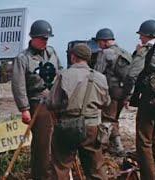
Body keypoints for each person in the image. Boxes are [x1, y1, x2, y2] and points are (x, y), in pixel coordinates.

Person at [47, 43, 111, 179]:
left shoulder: (64, 75)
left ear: (73, 57)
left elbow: (52, 103)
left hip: (67, 126)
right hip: (92, 128)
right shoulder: (100, 78)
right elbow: (106, 102)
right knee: (96, 169)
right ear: (88, 58)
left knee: (61, 168)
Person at [11, 19, 61, 179]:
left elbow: (60, 72)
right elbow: (18, 85)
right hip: (37, 102)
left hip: (54, 100)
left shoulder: (52, 53)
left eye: (47, 38)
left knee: (57, 141)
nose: (45, 42)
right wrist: (24, 109)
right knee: (42, 144)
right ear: (33, 37)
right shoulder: (23, 58)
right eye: (42, 38)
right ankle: (41, 176)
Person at [124, 19, 155, 180]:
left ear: (149, 35)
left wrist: (127, 96)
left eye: (142, 36)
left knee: (144, 141)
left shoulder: (146, 49)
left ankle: (149, 177)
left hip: (150, 99)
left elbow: (132, 74)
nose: (140, 39)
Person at [92, 28, 132, 156]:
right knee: (114, 119)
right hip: (124, 92)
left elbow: (97, 74)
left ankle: (107, 146)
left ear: (104, 42)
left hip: (111, 92)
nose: (98, 45)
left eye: (99, 42)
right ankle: (114, 145)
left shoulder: (105, 53)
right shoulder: (124, 52)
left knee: (107, 119)